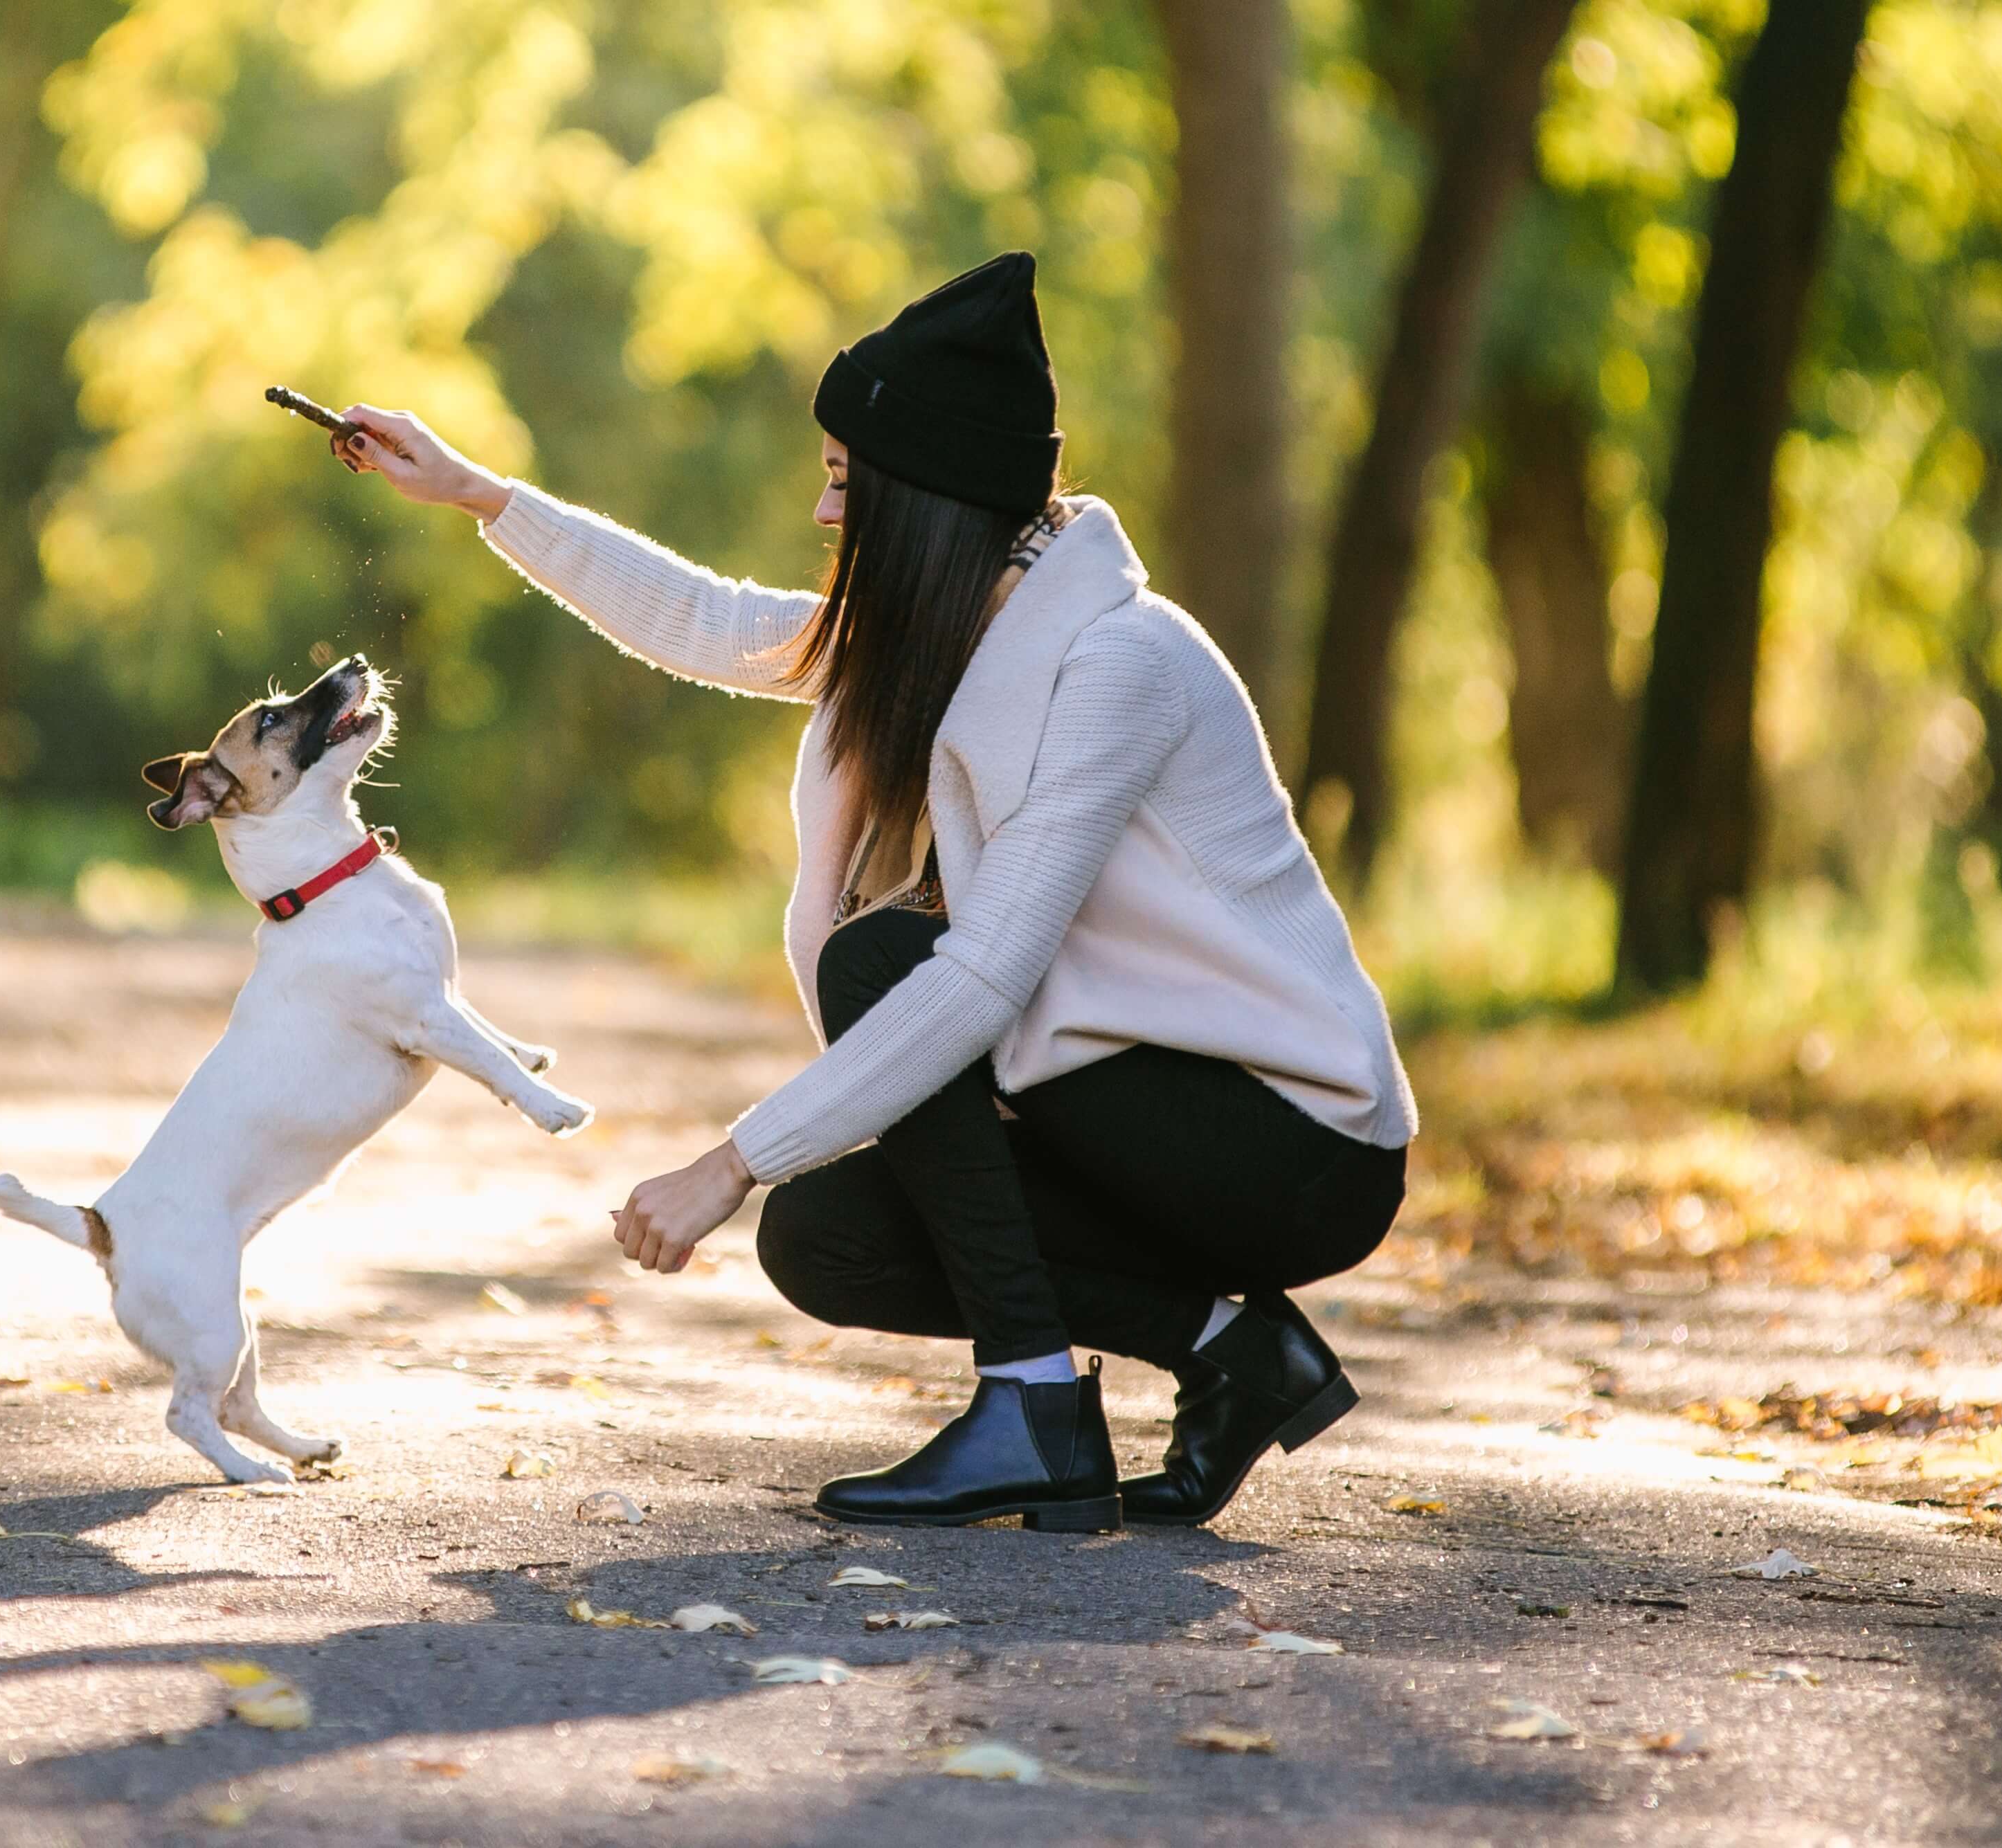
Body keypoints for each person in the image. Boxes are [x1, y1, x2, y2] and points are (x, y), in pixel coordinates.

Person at [330, 251, 1415, 1533]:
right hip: (1126, 1100)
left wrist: (729, 1162)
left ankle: (1031, 1407)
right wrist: (475, 494)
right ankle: (1228, 1347)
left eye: (847, 483)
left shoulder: (1120, 664)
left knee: (882, 966)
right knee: (827, 1236)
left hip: (1291, 1140)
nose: (825, 514)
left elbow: (986, 975)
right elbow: (704, 618)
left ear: (928, 497)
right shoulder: (959, 634)